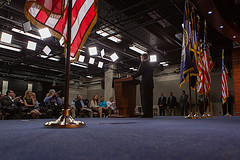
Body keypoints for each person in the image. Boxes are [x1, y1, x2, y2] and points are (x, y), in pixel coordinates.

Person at [128, 53, 154, 118]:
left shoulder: (143, 63)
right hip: (150, 84)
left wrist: (131, 76)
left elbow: (139, 72)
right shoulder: (150, 64)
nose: (140, 59)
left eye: (141, 58)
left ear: (143, 58)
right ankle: (150, 114)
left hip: (144, 84)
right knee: (149, 99)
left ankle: (146, 114)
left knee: (144, 99)